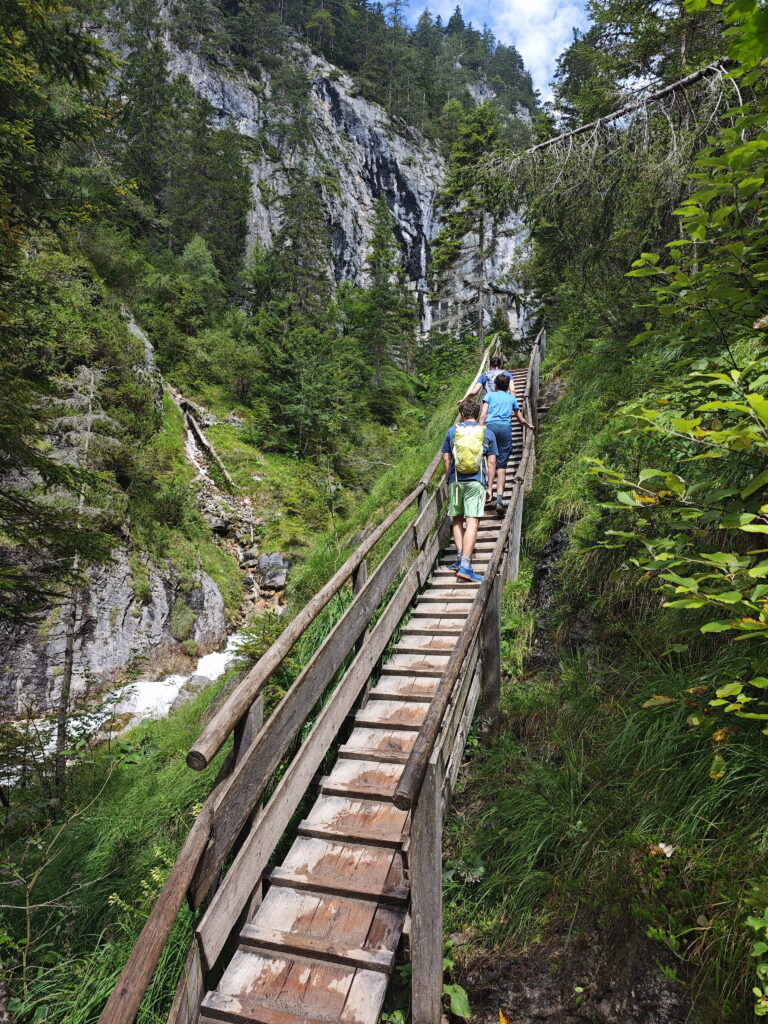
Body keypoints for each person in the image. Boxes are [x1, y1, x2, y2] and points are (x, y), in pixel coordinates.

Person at [441, 397, 498, 583]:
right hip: (476, 482)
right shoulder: (487, 433)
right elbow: (491, 462)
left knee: (457, 519)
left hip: (455, 481)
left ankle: (459, 558)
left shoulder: (452, 431)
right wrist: (490, 486)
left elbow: (446, 459)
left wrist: (449, 479)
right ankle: (466, 565)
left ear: (462, 414)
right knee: (472, 521)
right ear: (477, 414)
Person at [479, 373, 535, 515]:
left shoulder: (489, 396)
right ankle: (499, 500)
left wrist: (479, 429)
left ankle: (488, 490)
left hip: (490, 428)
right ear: (506, 386)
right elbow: (520, 419)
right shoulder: (511, 398)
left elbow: (483, 415)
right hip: (505, 429)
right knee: (502, 466)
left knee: (488, 460)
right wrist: (528, 425)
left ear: (496, 385)